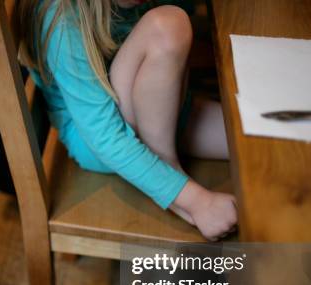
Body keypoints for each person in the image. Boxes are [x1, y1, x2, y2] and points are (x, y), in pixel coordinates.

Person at [13, 0, 237, 240]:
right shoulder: (61, 16)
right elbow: (104, 136)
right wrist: (195, 200)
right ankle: (170, 175)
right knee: (167, 25)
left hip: (158, 108)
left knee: (254, 139)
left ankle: (165, 174)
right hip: (99, 137)